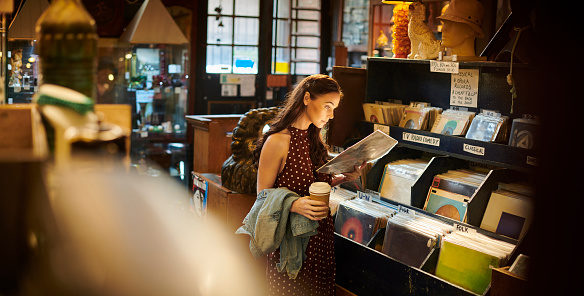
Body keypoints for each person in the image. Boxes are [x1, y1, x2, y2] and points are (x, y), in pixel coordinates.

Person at [253, 74, 364, 295]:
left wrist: (344, 178)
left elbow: (310, 185)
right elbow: (262, 196)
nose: (331, 115)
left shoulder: (313, 137)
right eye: (327, 106)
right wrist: (293, 205)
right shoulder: (277, 141)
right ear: (306, 98)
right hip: (291, 242)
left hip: (320, 238)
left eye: (334, 109)